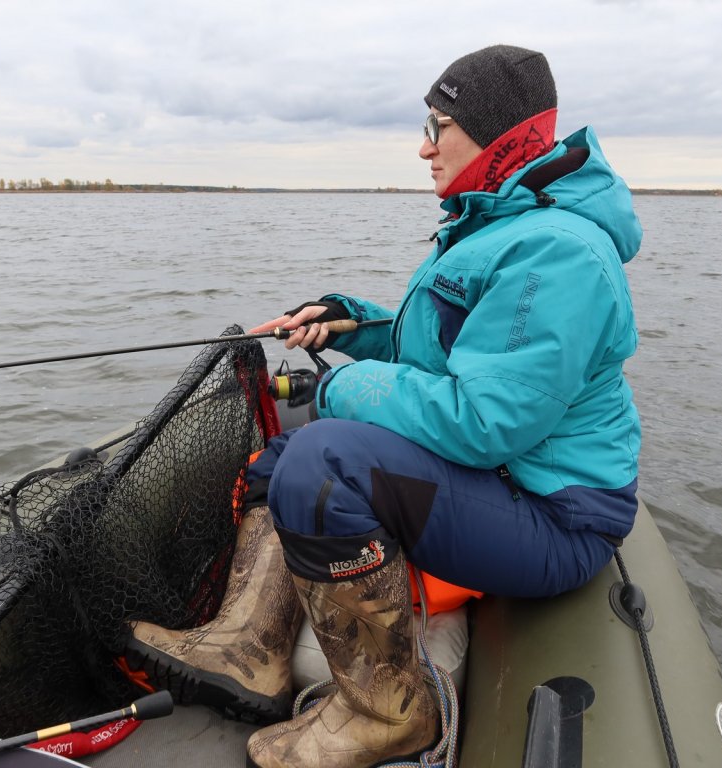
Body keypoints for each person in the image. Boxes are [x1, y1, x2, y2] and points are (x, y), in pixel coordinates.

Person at [127, 44, 642, 768]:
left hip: (558, 517)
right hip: (505, 485)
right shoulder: (501, 222)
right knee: (286, 457)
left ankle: (390, 714)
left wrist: (335, 387)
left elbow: (482, 422)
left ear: (496, 134)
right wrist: (351, 323)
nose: (423, 146)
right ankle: (250, 646)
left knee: (324, 462)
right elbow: (451, 352)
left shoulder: (558, 255)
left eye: (440, 126)